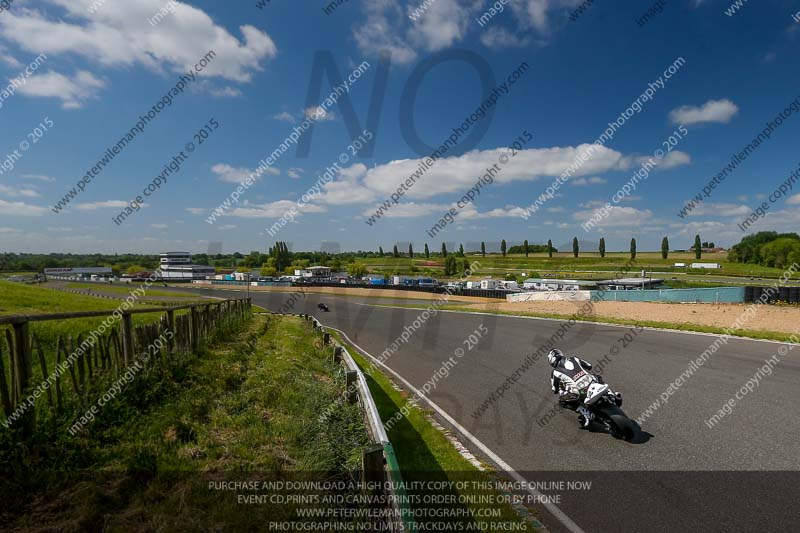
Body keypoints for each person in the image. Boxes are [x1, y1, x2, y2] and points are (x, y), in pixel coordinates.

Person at [548, 348, 621, 428]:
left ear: (552, 360)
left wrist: (561, 386)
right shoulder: (574, 359)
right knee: (597, 376)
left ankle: (587, 413)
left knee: (562, 401)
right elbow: (589, 366)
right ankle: (612, 394)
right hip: (591, 382)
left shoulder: (555, 372)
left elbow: (554, 390)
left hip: (581, 391)